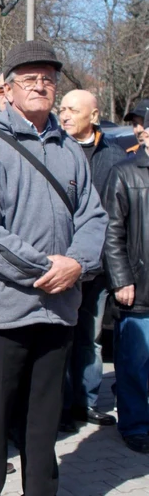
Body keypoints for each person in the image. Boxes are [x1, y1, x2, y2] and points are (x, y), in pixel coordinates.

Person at [0, 41, 108, 496]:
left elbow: (94, 218)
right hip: (5, 313)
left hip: (58, 311)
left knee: (43, 429)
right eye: (30, 79)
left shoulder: (69, 150)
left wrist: (78, 264)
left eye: (48, 78)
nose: (41, 86)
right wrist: (50, 269)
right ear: (7, 90)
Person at [58, 89, 126, 432]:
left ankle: (84, 403)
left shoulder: (112, 157)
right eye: (63, 109)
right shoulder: (52, 149)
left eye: (73, 110)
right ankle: (57, 407)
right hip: (56, 264)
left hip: (95, 267)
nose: (65, 115)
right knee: (56, 340)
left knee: (90, 338)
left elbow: (115, 217)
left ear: (94, 116)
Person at [103, 112, 149, 453]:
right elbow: (111, 232)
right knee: (134, 362)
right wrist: (121, 279)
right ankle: (135, 425)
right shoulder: (126, 173)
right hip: (139, 286)